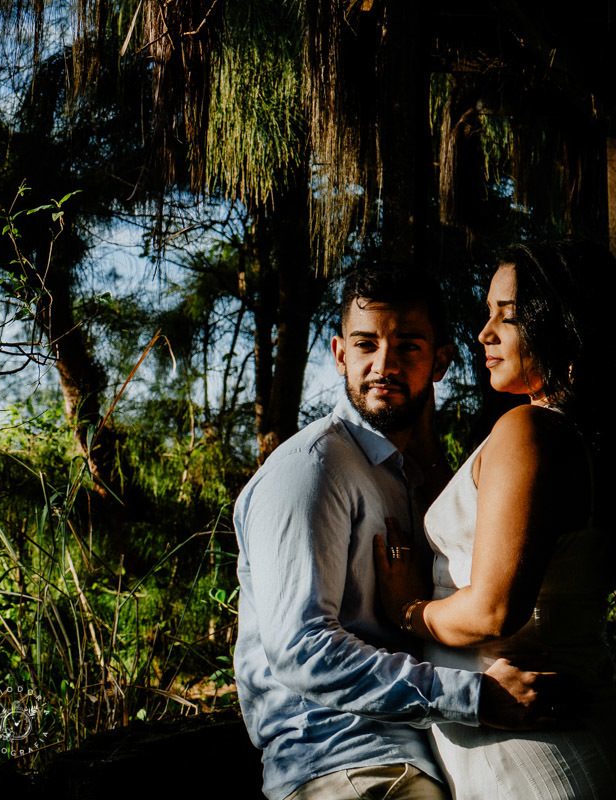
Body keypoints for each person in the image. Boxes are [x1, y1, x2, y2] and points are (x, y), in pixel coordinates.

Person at [235, 265, 552, 800]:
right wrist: (474, 696)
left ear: (440, 362)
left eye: (407, 348)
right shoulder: (311, 469)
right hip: (345, 767)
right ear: (339, 354)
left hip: (410, 757)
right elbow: (301, 650)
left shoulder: (404, 474)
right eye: (365, 345)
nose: (383, 366)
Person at [376, 241, 616, 800]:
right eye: (489, 314)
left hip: (527, 745)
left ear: (563, 325)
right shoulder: (591, 444)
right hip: (569, 722)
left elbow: (493, 609)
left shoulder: (529, 431)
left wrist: (406, 610)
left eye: (506, 317)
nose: (484, 333)